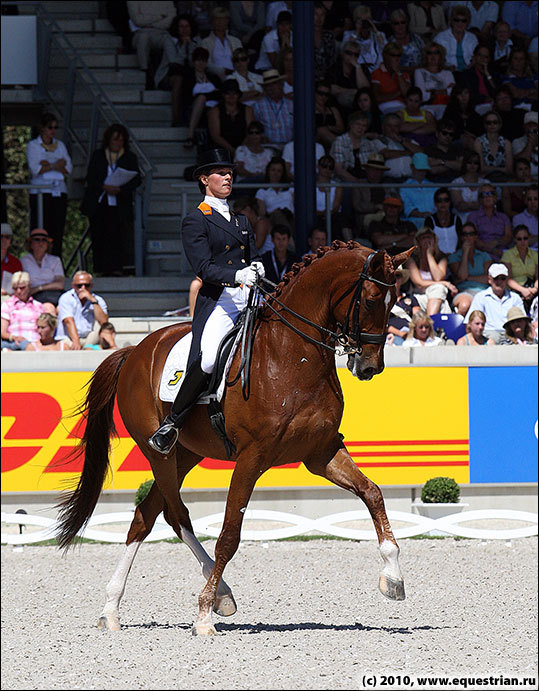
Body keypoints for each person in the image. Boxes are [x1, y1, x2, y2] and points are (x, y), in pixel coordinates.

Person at [147, 148, 264, 454]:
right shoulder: (197, 219)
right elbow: (203, 269)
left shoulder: (241, 219)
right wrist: (239, 275)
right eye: (220, 173)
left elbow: (251, 256)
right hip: (220, 300)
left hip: (249, 296)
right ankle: (173, 421)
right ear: (204, 179)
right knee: (210, 356)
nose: (228, 177)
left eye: (230, 173)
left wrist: (258, 267)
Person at [80, 123, 141, 276]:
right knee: (100, 234)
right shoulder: (99, 155)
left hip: (119, 203)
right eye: (115, 140)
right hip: (100, 202)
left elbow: (136, 179)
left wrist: (120, 189)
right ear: (108, 140)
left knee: (118, 236)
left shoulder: (129, 157)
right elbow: (91, 177)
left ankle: (117, 268)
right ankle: (101, 268)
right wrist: (104, 187)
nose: (117, 143)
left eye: (120, 140)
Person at [26, 112, 73, 258]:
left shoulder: (60, 145)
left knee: (57, 230)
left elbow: (68, 168)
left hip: (58, 191)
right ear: (42, 128)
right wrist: (56, 165)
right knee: (40, 229)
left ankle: (56, 261)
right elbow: (36, 169)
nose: (52, 130)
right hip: (40, 192)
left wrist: (48, 164)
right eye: (49, 127)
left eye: (55, 127)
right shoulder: (33, 146)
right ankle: (38, 260)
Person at [154, 13, 201, 126]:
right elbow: (174, 62)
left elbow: (194, 62)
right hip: (168, 75)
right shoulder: (169, 40)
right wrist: (184, 46)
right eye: (181, 26)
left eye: (187, 26)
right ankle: (176, 119)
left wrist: (190, 45)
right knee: (179, 79)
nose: (184, 30)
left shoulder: (197, 40)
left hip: (189, 74)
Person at [465, 263, 525, 342]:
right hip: (488, 336)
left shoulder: (515, 298)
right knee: (494, 337)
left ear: (507, 280)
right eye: (496, 278)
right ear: (489, 279)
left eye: (502, 278)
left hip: (511, 335)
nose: (499, 281)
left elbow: (524, 322)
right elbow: (470, 323)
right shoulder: (480, 297)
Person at [406, 226, 457, 315]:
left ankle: (429, 321)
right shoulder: (412, 259)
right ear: (418, 242)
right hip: (418, 294)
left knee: (439, 290)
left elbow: (438, 277)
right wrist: (445, 283)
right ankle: (432, 322)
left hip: (435, 295)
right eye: (423, 238)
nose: (427, 240)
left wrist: (429, 255)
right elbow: (419, 283)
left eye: (429, 237)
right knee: (442, 296)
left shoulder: (441, 257)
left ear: (434, 240)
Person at [126, 1, 176, 90]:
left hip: (161, 33)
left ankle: (165, 74)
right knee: (143, 39)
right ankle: (146, 73)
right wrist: (160, 16)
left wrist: (149, 23)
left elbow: (170, 20)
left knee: (169, 43)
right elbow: (137, 20)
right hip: (141, 33)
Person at [55, 271, 109, 350]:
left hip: (89, 338)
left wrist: (93, 301)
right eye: (79, 286)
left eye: (86, 285)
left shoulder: (98, 300)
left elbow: (104, 322)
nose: (83, 288)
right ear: (73, 285)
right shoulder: (66, 298)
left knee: (102, 332)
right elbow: (68, 321)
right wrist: (76, 341)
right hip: (69, 338)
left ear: (91, 285)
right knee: (66, 346)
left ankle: (88, 348)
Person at [448, 221, 492, 316]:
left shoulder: (484, 256)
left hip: (484, 291)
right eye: (465, 234)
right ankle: (459, 330)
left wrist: (468, 278)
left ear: (476, 237)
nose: (468, 237)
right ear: (461, 237)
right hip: (465, 291)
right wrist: (465, 254)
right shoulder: (454, 257)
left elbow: (488, 279)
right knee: (464, 306)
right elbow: (462, 275)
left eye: (471, 234)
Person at [183, 46, 221, 150]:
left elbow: (220, 94)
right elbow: (186, 97)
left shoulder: (213, 77)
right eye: (198, 60)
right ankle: (190, 135)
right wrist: (208, 95)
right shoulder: (188, 77)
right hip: (194, 110)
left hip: (213, 109)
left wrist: (207, 95)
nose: (201, 63)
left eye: (203, 60)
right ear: (194, 61)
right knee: (201, 99)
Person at [207, 79, 254, 157]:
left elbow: (250, 132)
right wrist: (233, 151)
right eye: (228, 93)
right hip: (220, 151)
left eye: (234, 93)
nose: (231, 96)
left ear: (238, 94)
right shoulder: (214, 111)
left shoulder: (248, 110)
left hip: (244, 150)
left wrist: (240, 150)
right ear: (223, 95)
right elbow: (215, 136)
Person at [20, 227, 65, 306]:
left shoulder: (55, 260)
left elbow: (60, 284)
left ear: (48, 244)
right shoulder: (23, 261)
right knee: (49, 307)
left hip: (55, 294)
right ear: (30, 244)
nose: (41, 243)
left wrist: (38, 288)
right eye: (37, 240)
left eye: (44, 240)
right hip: (33, 297)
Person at [467, 183, 512, 259]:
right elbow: (473, 239)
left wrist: (496, 242)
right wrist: (493, 250)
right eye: (483, 194)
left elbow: (509, 236)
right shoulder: (473, 217)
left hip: (502, 253)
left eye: (491, 193)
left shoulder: (503, 217)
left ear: (496, 197)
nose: (487, 196)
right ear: (480, 199)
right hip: (481, 254)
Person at [252, 69, 294, 150]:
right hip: (268, 147)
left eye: (274, 84)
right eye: (268, 85)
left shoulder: (292, 105)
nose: (271, 87)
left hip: (290, 147)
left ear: (281, 85)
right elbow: (255, 128)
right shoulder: (258, 106)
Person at [1, 271, 43, 351]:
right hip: (16, 341)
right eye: (15, 288)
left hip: (36, 341)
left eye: (22, 288)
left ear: (29, 286)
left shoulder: (38, 306)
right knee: (26, 345)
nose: (19, 291)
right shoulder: (7, 305)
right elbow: (2, 332)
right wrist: (14, 337)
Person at [326, 40, 370, 116]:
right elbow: (333, 89)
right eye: (349, 53)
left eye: (356, 55)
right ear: (342, 53)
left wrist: (358, 67)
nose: (352, 57)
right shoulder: (334, 68)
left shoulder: (362, 68)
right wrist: (355, 91)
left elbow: (365, 89)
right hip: (338, 104)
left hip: (359, 103)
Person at [200, 6, 243, 82]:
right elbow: (206, 64)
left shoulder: (236, 41)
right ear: (212, 21)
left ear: (227, 21)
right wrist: (223, 71)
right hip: (216, 78)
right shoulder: (205, 42)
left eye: (223, 19)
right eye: (217, 19)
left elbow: (242, 60)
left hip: (237, 75)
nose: (220, 22)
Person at [501, 224, 538, 307]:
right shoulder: (508, 255)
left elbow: (537, 277)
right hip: (514, 290)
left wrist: (534, 289)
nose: (522, 241)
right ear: (515, 240)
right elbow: (508, 279)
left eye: (525, 238)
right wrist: (523, 290)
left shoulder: (535, 255)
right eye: (519, 239)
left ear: (529, 238)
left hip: (532, 289)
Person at [375, 113, 422, 180]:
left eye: (395, 126)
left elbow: (421, 152)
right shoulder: (378, 140)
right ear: (383, 127)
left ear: (399, 128)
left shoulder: (407, 141)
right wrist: (409, 152)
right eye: (389, 126)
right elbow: (386, 154)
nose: (392, 129)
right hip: (389, 180)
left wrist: (401, 141)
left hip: (409, 180)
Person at [433, 5, 478, 74]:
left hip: (469, 72)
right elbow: (434, 59)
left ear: (468, 22)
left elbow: (477, 57)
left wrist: (472, 64)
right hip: (447, 72)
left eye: (464, 21)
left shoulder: (472, 38)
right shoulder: (440, 37)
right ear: (451, 21)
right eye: (457, 20)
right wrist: (446, 67)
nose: (460, 23)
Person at [342, 5, 386, 74]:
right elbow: (345, 50)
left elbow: (387, 48)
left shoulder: (379, 35)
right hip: (357, 71)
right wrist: (357, 32)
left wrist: (375, 30)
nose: (364, 23)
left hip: (377, 71)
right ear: (355, 21)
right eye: (360, 20)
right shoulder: (348, 34)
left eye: (366, 20)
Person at [255, 156, 294, 234]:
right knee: (278, 215)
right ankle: (291, 244)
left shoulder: (290, 188)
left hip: (291, 217)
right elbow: (262, 214)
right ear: (268, 171)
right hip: (273, 220)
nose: (275, 174)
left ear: (282, 173)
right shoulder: (262, 192)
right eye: (273, 170)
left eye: (279, 171)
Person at [371, 42, 411, 115]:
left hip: (403, 106)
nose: (396, 58)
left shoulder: (404, 74)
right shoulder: (376, 73)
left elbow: (406, 93)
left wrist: (398, 72)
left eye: (398, 55)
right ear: (385, 56)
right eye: (393, 55)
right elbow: (377, 97)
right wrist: (398, 93)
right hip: (385, 107)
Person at [414, 42, 455, 113]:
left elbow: (453, 92)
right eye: (429, 53)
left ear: (440, 56)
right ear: (425, 56)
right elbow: (421, 95)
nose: (433, 56)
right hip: (427, 107)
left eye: (436, 53)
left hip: (446, 106)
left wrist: (433, 92)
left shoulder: (448, 73)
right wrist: (444, 91)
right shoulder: (419, 72)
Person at [399, 153, 436, 229]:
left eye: (424, 170)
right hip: (413, 223)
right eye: (419, 169)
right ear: (412, 167)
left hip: (434, 221)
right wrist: (421, 214)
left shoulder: (434, 186)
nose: (422, 172)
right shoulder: (404, 187)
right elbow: (407, 207)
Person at [386, 264, 421, 345]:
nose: (395, 279)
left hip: (413, 333)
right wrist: (401, 334)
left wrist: (413, 332)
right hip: (393, 336)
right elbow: (380, 326)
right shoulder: (383, 301)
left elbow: (418, 318)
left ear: (402, 279)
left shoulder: (410, 298)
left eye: (398, 276)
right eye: (392, 276)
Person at [442, 84, 483, 150]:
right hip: (453, 141)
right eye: (460, 94)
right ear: (455, 96)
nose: (463, 96)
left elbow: (480, 130)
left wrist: (473, 135)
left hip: (472, 140)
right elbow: (446, 130)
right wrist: (461, 134)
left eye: (466, 93)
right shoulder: (450, 112)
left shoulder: (474, 113)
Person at [477, 108, 515, 181]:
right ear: (485, 125)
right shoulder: (479, 142)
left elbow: (510, 170)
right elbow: (481, 168)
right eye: (489, 122)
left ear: (500, 124)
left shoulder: (506, 143)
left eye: (495, 122)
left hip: (504, 181)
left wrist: (490, 169)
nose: (492, 125)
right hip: (485, 181)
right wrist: (501, 169)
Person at [315, 154, 347, 240]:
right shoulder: (310, 185)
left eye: (330, 167)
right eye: (324, 166)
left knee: (338, 220)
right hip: (315, 216)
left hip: (332, 216)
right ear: (318, 166)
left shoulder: (337, 186)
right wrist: (321, 213)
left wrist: (326, 213)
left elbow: (335, 207)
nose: (327, 169)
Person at [450, 150, 488, 222]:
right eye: (469, 162)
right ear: (465, 163)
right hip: (461, 220)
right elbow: (460, 207)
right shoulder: (456, 182)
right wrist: (477, 204)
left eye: (476, 163)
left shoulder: (485, 182)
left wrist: (467, 204)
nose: (472, 165)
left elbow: (487, 205)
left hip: (482, 220)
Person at [424, 187, 462, 254]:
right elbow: (428, 243)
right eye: (439, 200)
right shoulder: (429, 220)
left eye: (446, 200)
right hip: (437, 257)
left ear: (450, 202)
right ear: (435, 203)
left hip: (455, 258)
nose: (443, 203)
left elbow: (461, 241)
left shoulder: (457, 219)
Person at [387, 8, 424, 73]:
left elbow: (426, 56)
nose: (400, 25)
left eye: (403, 22)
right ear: (392, 25)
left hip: (421, 74)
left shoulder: (417, 38)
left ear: (406, 23)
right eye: (396, 23)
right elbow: (391, 66)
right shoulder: (389, 42)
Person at [314, 79, 345, 152]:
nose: (323, 97)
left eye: (326, 94)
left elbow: (341, 128)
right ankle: (343, 147)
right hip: (315, 140)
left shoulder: (333, 110)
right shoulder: (309, 109)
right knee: (321, 130)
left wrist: (327, 127)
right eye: (320, 93)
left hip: (332, 141)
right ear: (315, 93)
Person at [313, 1, 338, 80]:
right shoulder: (303, 35)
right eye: (316, 14)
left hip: (326, 78)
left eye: (322, 15)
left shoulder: (329, 36)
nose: (319, 18)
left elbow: (332, 61)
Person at [512, 111, 538, 178]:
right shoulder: (517, 142)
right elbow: (522, 162)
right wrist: (530, 143)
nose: (531, 128)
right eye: (529, 125)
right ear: (524, 127)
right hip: (524, 179)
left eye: (534, 125)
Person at [1, 222, 22, 295]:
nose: (3, 239)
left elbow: (20, 287)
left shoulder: (16, 263)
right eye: (1, 236)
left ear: (10, 241)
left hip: (10, 301)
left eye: (7, 237)